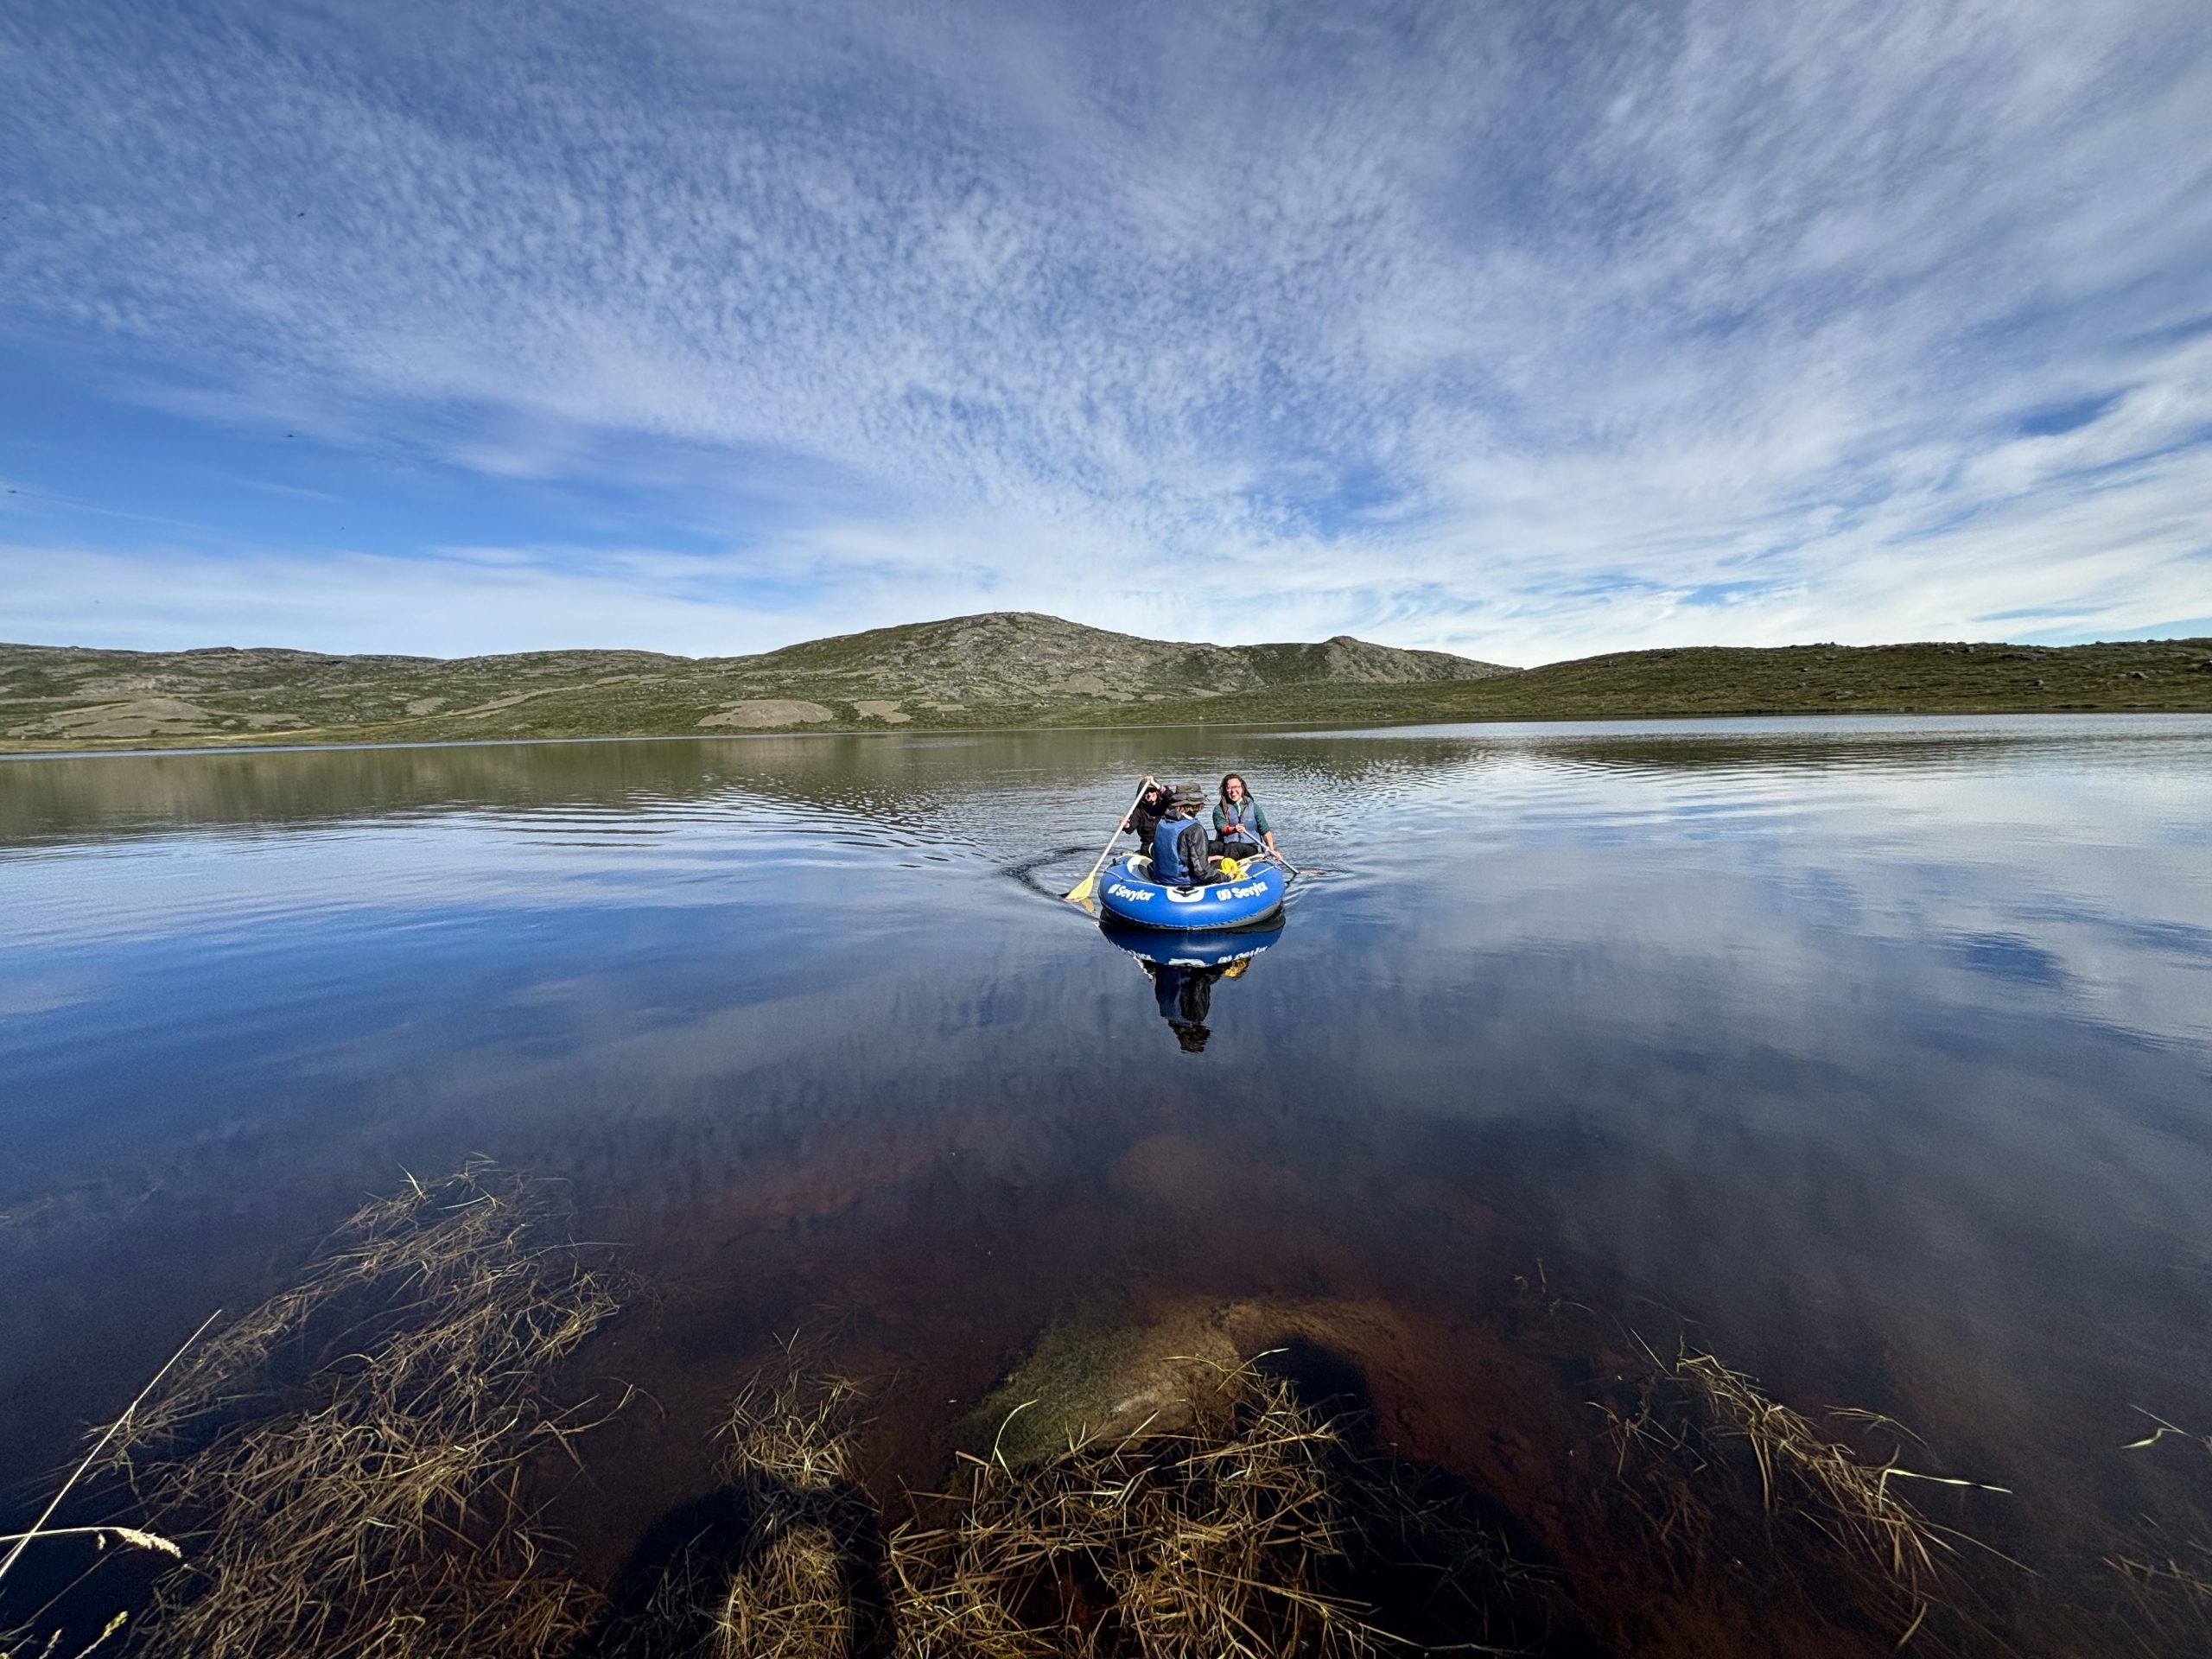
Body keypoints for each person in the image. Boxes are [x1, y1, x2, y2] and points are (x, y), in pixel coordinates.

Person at [1149, 781, 1213, 887]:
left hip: (1160, 879)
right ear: (1198, 804)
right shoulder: (1195, 829)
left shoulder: (1162, 822)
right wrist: (1227, 878)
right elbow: (1202, 872)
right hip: (1184, 882)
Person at [1211, 772, 1277, 861]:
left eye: (1236, 787)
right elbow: (1221, 827)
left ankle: (1218, 859)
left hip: (1249, 849)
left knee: (1234, 846)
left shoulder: (1254, 807)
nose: (1233, 791)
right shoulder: (1219, 809)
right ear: (1225, 790)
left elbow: (1266, 832)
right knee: (1212, 845)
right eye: (1229, 788)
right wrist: (1234, 829)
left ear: (1242, 788)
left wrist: (1272, 850)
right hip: (1227, 847)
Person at [1122, 774, 1170, 850]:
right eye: (1146, 792)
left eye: (1152, 791)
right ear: (1142, 796)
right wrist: (1126, 825)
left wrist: (1155, 784)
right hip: (1149, 846)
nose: (1150, 794)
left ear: (1157, 792)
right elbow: (1130, 828)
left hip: (1167, 843)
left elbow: (1172, 797)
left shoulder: (1165, 805)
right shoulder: (1139, 810)